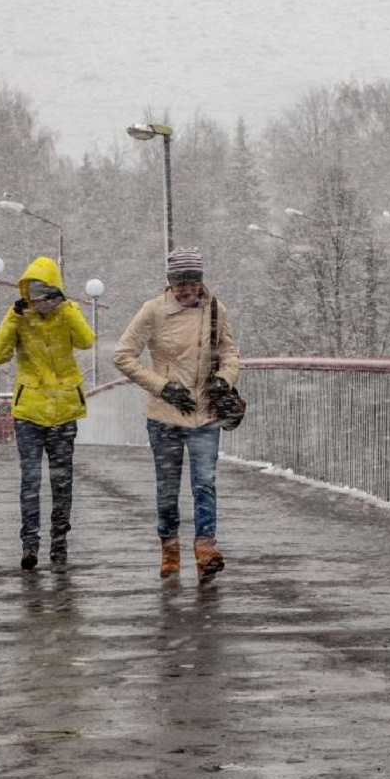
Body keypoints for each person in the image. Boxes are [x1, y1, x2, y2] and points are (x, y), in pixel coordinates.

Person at [114, 247, 240, 583]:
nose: (185, 289)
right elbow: (123, 355)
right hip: (165, 417)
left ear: (201, 281)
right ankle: (170, 550)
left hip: (205, 416)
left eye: (191, 281)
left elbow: (230, 353)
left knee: (205, 484)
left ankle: (206, 550)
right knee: (168, 489)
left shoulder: (215, 310)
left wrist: (223, 380)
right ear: (169, 282)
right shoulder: (153, 311)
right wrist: (162, 387)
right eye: (178, 282)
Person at [0, 256, 95, 571]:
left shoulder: (66, 315)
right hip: (30, 413)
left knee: (62, 482)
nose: (39, 303)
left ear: (56, 293)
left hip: (63, 410)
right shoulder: (20, 319)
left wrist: (69, 309)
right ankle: (30, 544)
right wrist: (12, 319)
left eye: (45, 296)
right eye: (32, 296)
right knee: (31, 480)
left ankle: (59, 543)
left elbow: (87, 341)